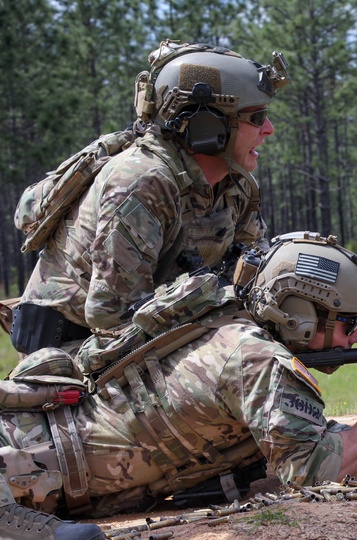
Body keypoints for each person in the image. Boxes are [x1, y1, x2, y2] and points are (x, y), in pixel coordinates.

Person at [0, 234, 357, 540]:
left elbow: (300, 447)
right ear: (303, 315)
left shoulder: (239, 331)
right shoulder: (255, 356)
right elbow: (316, 475)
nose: (356, 337)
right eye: (347, 323)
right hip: (20, 459)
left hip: (53, 475)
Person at [9, 39, 289, 354]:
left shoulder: (236, 184)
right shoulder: (142, 182)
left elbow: (256, 273)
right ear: (207, 125)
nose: (269, 129)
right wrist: (215, 299)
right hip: (76, 355)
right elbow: (112, 316)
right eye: (256, 117)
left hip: (145, 343)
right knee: (247, 362)